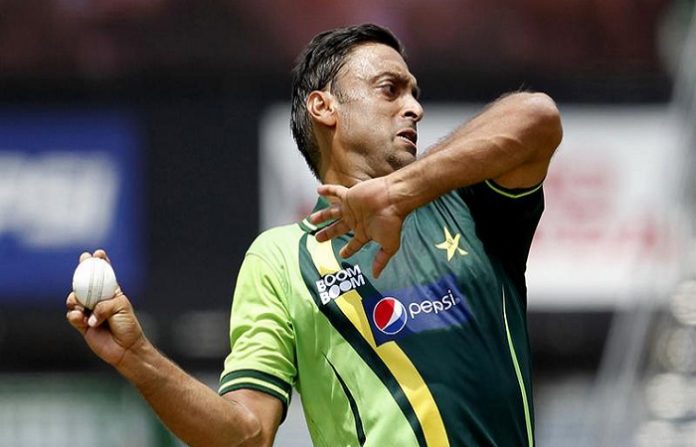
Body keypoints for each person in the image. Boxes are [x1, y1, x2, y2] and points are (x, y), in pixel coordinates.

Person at [66, 23, 561, 447]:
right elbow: (246, 435)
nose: (414, 107)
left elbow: (537, 115)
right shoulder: (281, 258)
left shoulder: (465, 201)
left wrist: (396, 194)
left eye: (414, 92)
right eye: (390, 89)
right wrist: (138, 358)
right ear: (324, 107)